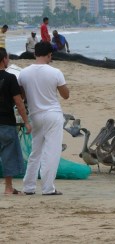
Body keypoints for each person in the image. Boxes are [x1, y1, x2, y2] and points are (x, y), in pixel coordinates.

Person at [18, 42, 70, 195]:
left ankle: (28, 186)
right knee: (51, 152)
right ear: (49, 55)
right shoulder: (55, 72)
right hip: (52, 114)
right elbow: (65, 95)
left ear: (35, 54)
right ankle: (48, 187)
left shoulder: (24, 73)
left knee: (36, 152)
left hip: (35, 114)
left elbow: (22, 95)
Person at [0, 47, 32, 195]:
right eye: (7, 58)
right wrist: (26, 121)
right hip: (6, 122)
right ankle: (8, 187)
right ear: (4, 60)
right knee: (9, 155)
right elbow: (19, 103)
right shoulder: (10, 78)